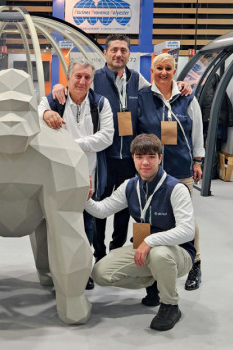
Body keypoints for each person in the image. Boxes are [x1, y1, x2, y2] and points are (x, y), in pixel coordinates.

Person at [52, 36, 192, 264]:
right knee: (100, 203)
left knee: (127, 209)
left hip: (131, 157)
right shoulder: (94, 79)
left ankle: (117, 249)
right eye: (114, 50)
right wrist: (59, 86)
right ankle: (99, 254)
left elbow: (160, 89)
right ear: (106, 54)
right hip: (104, 157)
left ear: (129, 55)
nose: (119, 54)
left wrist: (180, 84)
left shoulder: (137, 80)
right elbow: (73, 87)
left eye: (124, 50)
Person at [87, 133, 195, 331]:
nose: (145, 162)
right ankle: (155, 281)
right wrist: (85, 197)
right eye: (139, 157)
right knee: (100, 273)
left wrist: (151, 241)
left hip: (177, 253)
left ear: (160, 158)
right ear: (133, 158)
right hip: (145, 250)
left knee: (159, 253)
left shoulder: (176, 188)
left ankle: (170, 305)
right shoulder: (130, 186)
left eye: (151, 157)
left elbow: (187, 231)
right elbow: (102, 211)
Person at [38, 56, 114, 290]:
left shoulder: (100, 104)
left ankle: (83, 271)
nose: (82, 81)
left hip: (86, 175)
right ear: (68, 77)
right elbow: (38, 113)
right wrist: (45, 114)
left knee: (85, 226)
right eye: (78, 76)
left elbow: (107, 137)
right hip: (55, 175)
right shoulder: (53, 100)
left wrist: (70, 144)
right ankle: (56, 271)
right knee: (55, 224)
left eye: (87, 77)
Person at [137, 52, 204, 291]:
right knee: (149, 216)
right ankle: (147, 263)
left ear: (175, 72)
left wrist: (198, 160)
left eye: (168, 68)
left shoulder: (187, 97)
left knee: (184, 218)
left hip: (180, 168)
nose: (163, 72)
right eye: (159, 68)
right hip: (149, 171)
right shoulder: (142, 97)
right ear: (151, 72)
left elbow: (197, 130)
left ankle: (194, 263)